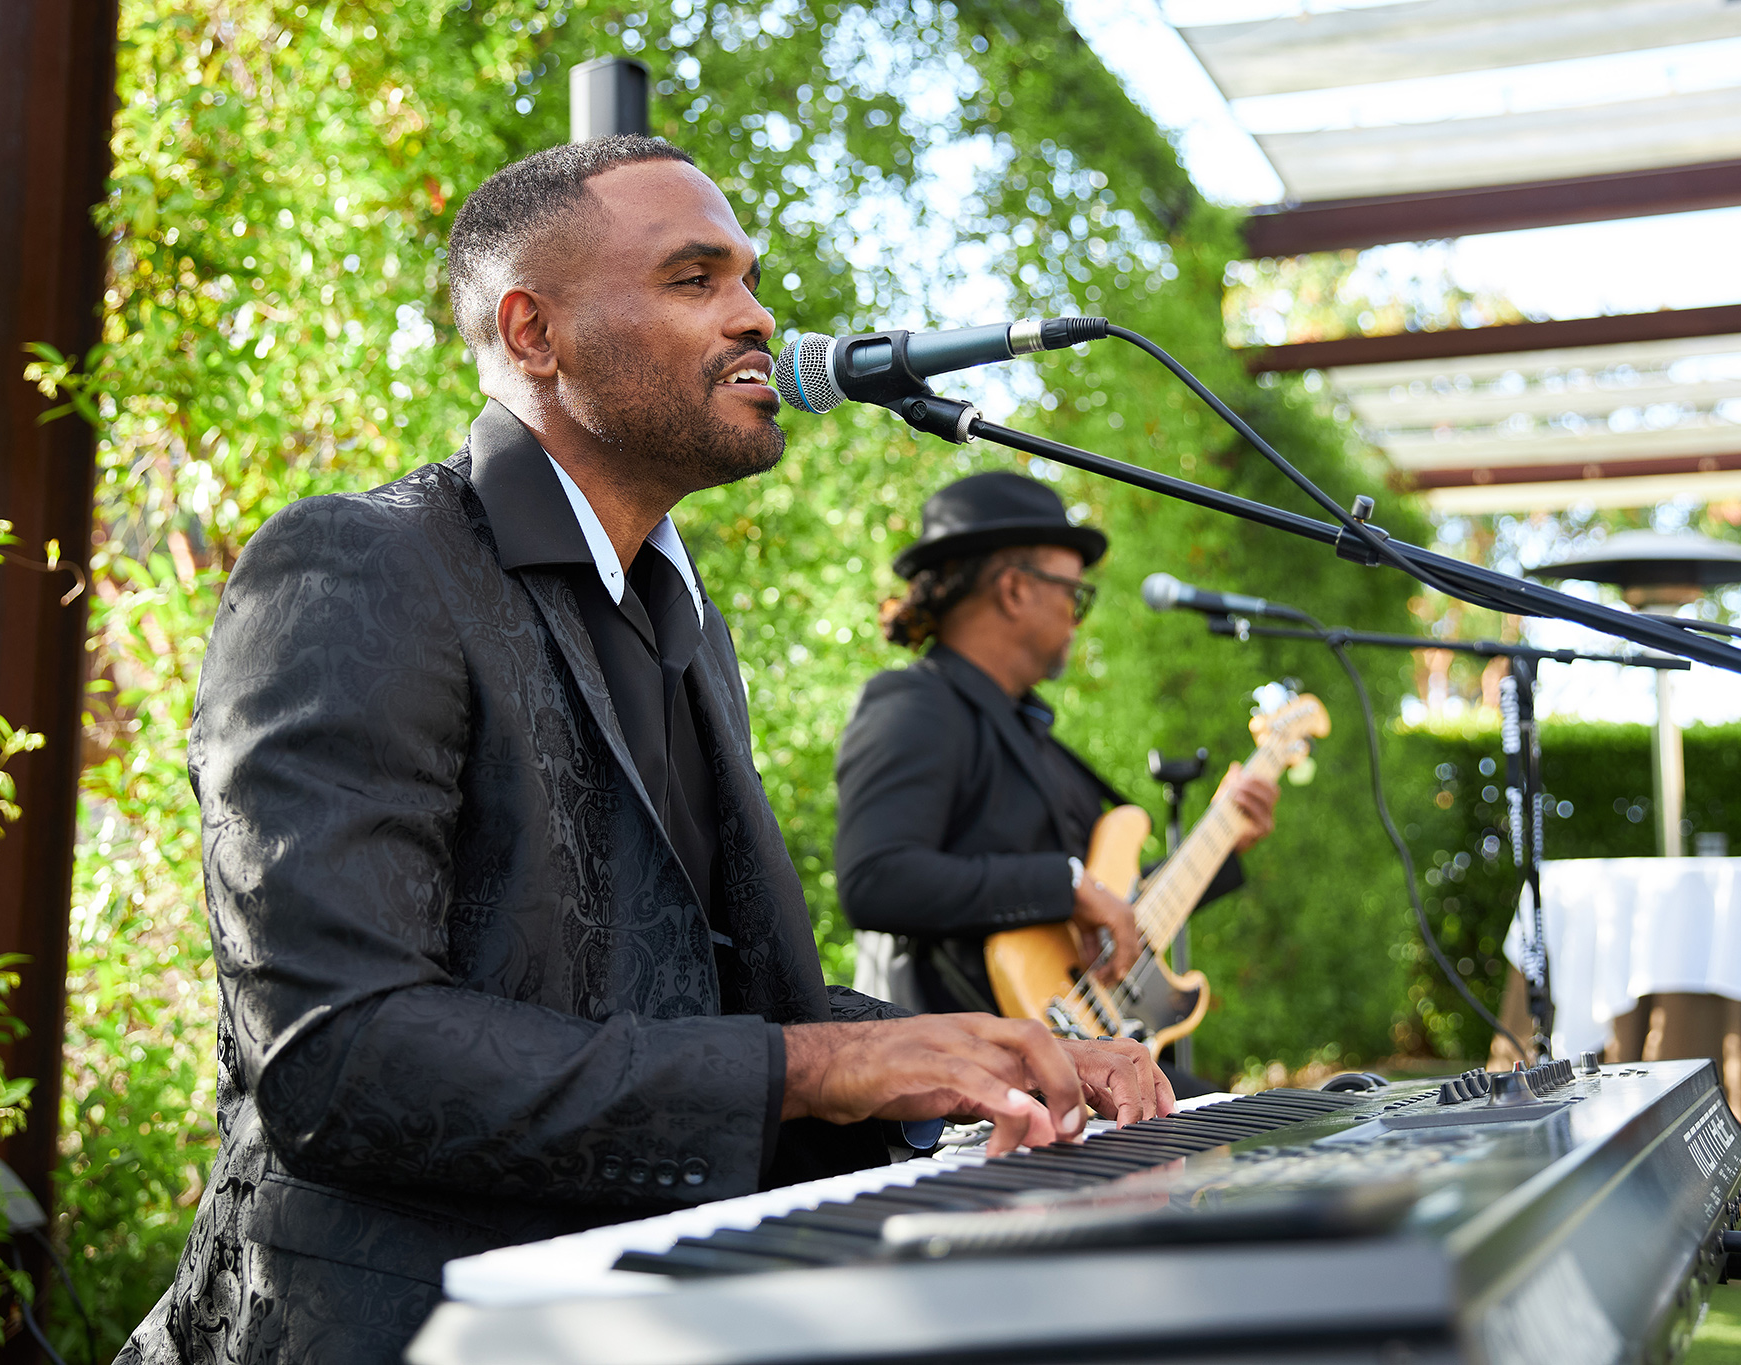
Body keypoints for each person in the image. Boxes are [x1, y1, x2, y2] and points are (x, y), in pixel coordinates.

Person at [116, 139, 1170, 1365]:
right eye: (694, 279)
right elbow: (339, 1060)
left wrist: (976, 1060)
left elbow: (693, 1008)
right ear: (533, 334)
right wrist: (823, 1061)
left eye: (750, 280)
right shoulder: (360, 567)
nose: (758, 318)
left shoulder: (685, 619)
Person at [834, 472, 1280, 1089]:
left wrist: (1227, 841)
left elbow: (1113, 918)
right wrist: (1065, 884)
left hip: (1061, 1060)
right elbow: (875, 880)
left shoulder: (1037, 741)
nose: (1077, 617)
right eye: (1074, 594)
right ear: (1015, 590)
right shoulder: (914, 704)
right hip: (962, 1082)